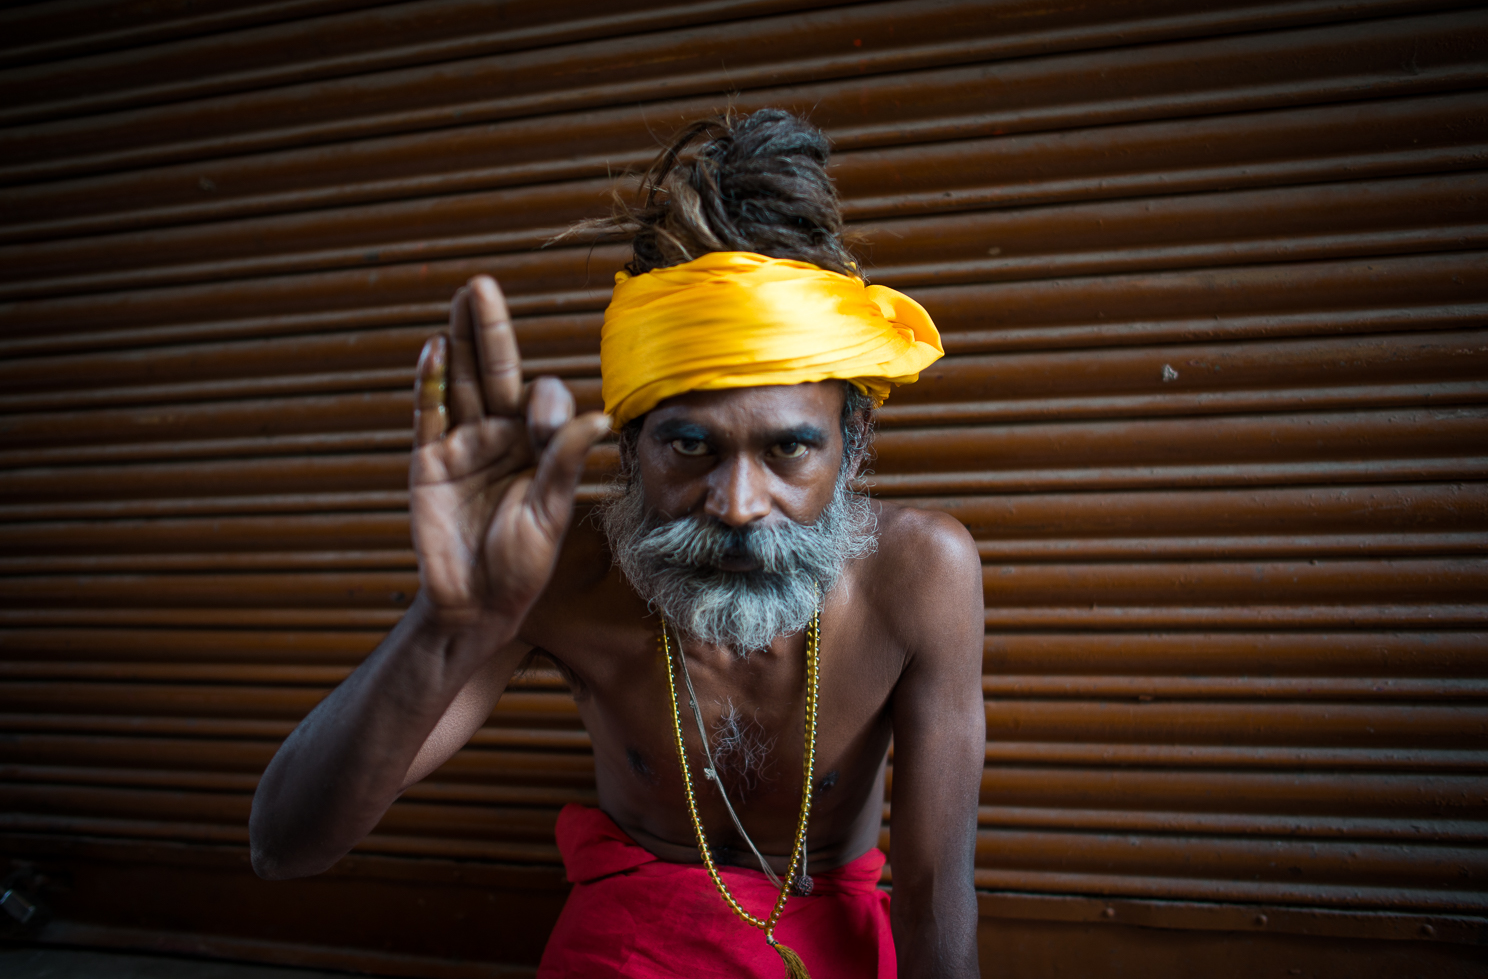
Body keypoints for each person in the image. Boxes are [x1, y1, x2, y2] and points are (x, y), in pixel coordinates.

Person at [249, 109, 985, 978]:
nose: (740, 504)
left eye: (789, 446)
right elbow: (284, 845)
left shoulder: (921, 573)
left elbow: (936, 891)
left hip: (831, 934)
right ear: (630, 449)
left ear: (854, 445)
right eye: (689, 445)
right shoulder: (563, 572)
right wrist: (447, 623)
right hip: (627, 935)